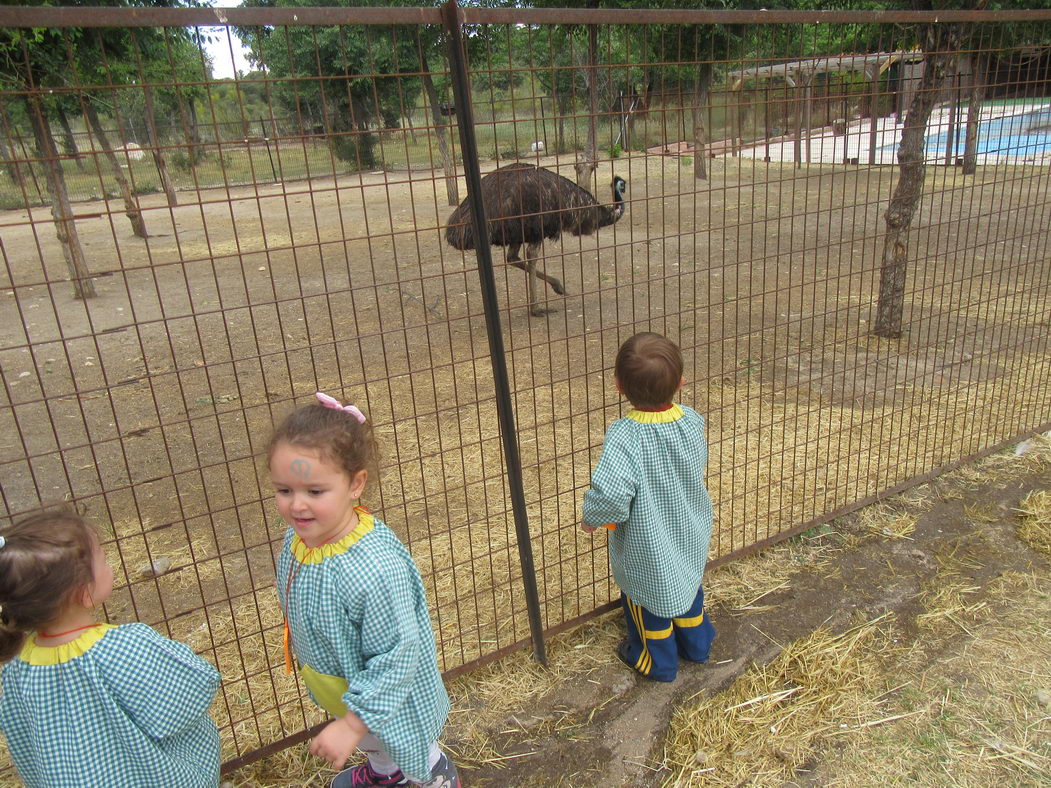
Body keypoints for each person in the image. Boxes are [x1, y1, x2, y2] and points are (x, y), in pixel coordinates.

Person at [269, 392, 459, 788]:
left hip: (386, 695)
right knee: (378, 745)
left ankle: (433, 776)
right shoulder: (299, 539)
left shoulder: (372, 568)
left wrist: (354, 722)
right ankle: (384, 775)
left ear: (355, 485)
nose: (297, 506)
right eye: (284, 490)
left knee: (404, 741)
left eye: (314, 491)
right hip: (344, 681)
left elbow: (397, 655)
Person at [0, 507, 221, 787]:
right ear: (83, 591)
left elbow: (21, 738)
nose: (110, 566)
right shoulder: (121, 646)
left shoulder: (18, 664)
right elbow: (190, 694)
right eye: (103, 560)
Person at [581, 332, 716, 682]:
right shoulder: (691, 420)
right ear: (681, 383)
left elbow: (611, 493)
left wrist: (594, 517)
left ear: (618, 387)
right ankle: (698, 645)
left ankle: (656, 661)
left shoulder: (626, 436)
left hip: (648, 538)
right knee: (685, 581)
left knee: (648, 594)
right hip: (689, 525)